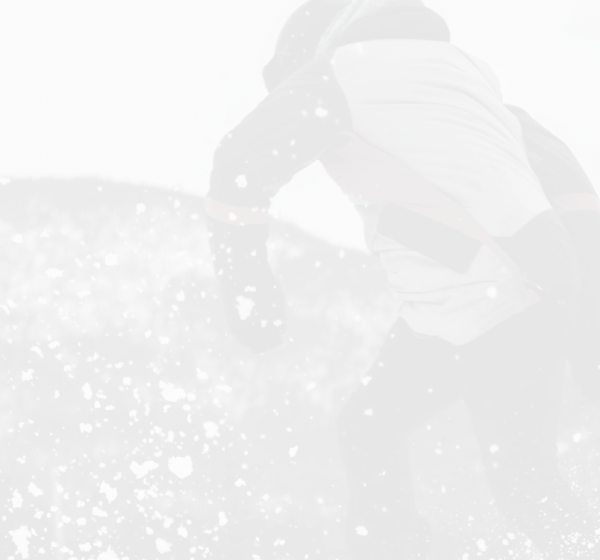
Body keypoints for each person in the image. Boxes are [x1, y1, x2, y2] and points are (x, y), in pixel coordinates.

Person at [204, 0, 600, 557]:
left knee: (524, 486)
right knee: (369, 426)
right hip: (497, 290)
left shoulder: (339, 72)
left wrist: (249, 294)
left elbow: (239, 165)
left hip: (491, 289)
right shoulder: (471, 82)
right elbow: (575, 198)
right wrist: (591, 321)